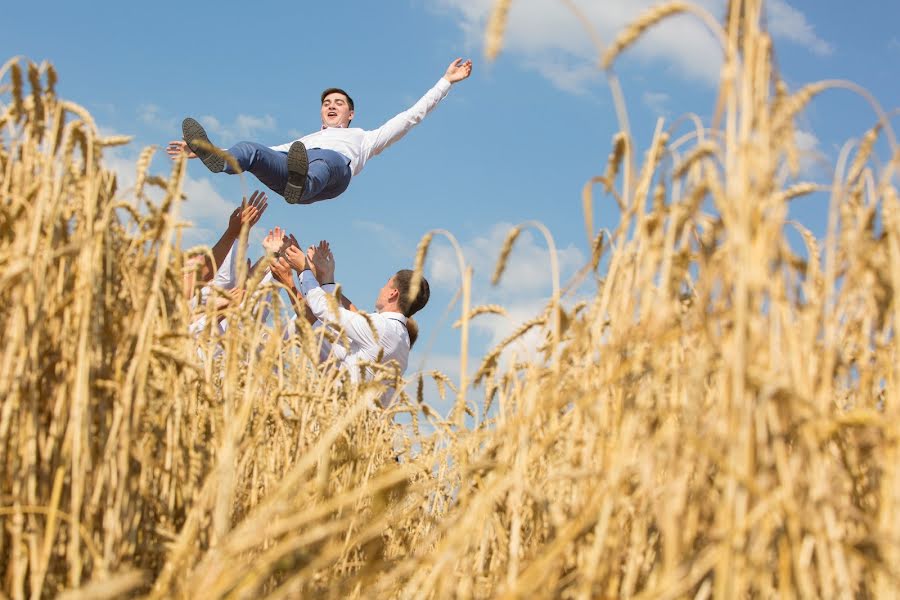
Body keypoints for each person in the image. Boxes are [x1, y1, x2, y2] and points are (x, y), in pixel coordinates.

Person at [167, 58, 473, 205]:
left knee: (323, 160)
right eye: (326, 103)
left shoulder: (364, 138)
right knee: (252, 149)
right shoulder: (304, 142)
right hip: (292, 172)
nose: (331, 106)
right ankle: (219, 159)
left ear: (350, 114)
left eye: (338, 103)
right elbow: (273, 154)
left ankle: (302, 183)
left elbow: (411, 117)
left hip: (331, 175)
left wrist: (446, 81)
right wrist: (197, 151)